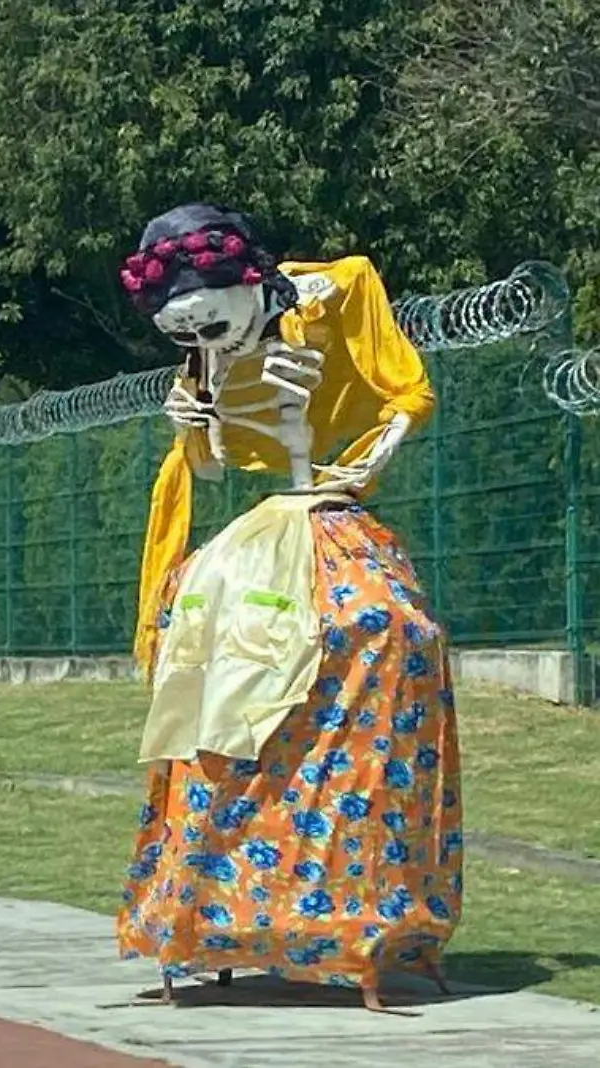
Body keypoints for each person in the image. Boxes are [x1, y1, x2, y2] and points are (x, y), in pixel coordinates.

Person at [114, 204, 460, 1012]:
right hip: (261, 532)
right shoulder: (200, 365)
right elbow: (210, 464)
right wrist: (192, 431)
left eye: (211, 323)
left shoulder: (342, 291)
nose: (203, 344)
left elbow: (408, 394)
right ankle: (211, 904)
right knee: (202, 652)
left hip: (329, 512)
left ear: (249, 283)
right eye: (183, 333)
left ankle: (360, 902)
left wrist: (351, 468)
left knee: (387, 629)